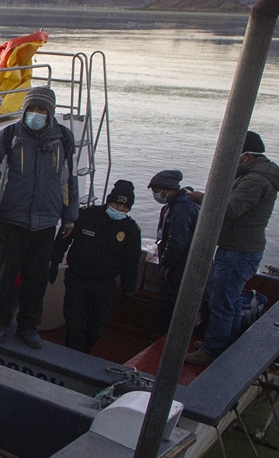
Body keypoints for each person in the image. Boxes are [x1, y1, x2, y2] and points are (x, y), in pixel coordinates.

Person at [0, 86, 79, 349]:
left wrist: (69, 216)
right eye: (32, 109)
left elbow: (69, 180)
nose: (36, 114)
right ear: (24, 110)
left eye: (42, 110)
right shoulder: (9, 136)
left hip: (46, 221)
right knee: (3, 276)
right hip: (11, 219)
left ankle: (28, 326)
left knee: (36, 279)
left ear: (51, 112)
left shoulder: (64, 139)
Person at [186, 131, 279, 365]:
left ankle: (212, 350)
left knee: (222, 301)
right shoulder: (253, 175)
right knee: (231, 299)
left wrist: (200, 199)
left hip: (239, 252)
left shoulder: (256, 180)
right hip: (235, 248)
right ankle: (226, 343)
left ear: (246, 156)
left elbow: (229, 209)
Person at [50, 180, 142, 354]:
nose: (119, 209)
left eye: (124, 207)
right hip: (78, 279)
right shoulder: (87, 216)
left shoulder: (130, 230)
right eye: (116, 204)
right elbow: (64, 239)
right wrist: (55, 262)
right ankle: (72, 358)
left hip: (104, 285)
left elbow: (131, 263)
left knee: (96, 327)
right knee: (75, 324)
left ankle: (85, 352)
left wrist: (128, 290)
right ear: (109, 201)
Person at [147, 169, 199, 334]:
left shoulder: (181, 209)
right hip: (179, 265)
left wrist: (166, 265)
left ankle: (168, 338)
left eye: (156, 191)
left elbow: (177, 241)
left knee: (170, 305)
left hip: (180, 268)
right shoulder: (174, 206)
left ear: (166, 190)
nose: (155, 195)